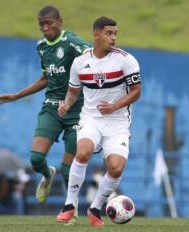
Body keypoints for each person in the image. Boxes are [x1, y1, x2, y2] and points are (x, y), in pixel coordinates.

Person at [0, 5, 90, 222]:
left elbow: (95, 58)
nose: (45, 28)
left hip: (78, 111)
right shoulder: (42, 46)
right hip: (51, 107)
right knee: (36, 159)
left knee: (68, 169)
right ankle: (47, 175)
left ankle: (70, 212)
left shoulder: (73, 43)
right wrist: (17, 95)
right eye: (41, 25)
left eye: (49, 23)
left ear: (60, 22)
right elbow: (45, 78)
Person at [56, 16, 141, 228]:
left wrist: (114, 106)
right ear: (96, 34)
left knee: (116, 168)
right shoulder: (80, 63)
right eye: (108, 33)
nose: (113, 38)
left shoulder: (126, 60)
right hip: (91, 118)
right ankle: (69, 205)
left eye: (115, 34)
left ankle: (95, 208)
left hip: (118, 122)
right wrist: (66, 104)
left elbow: (137, 92)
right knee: (82, 151)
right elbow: (74, 92)